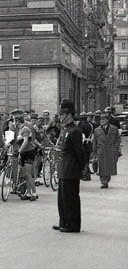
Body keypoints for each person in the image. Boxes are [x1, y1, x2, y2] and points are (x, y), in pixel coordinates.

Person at [53, 100, 85, 233]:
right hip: (63, 168)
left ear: (69, 115)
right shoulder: (65, 129)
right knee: (62, 198)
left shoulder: (75, 131)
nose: (60, 117)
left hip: (71, 169)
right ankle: (64, 221)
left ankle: (73, 224)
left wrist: (81, 168)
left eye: (62, 114)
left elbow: (79, 153)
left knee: (71, 198)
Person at [92, 112, 122, 189]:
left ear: (107, 120)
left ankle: (106, 180)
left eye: (103, 119)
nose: (101, 121)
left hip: (110, 151)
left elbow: (118, 139)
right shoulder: (97, 130)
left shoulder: (114, 129)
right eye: (100, 119)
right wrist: (94, 153)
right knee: (101, 167)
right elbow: (95, 142)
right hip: (101, 151)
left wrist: (116, 148)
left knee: (109, 168)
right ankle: (103, 182)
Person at [12, 111, 38, 201]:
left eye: (14, 121)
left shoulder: (25, 129)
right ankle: (29, 193)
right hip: (24, 153)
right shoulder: (20, 129)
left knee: (28, 174)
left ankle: (34, 193)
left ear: (17, 121)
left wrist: (19, 151)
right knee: (26, 175)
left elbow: (26, 141)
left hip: (29, 153)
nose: (13, 123)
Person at [78, 114, 94, 181]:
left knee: (83, 160)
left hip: (84, 143)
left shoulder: (81, 126)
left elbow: (82, 135)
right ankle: (88, 173)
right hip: (89, 143)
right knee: (87, 159)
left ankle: (85, 174)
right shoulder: (90, 125)